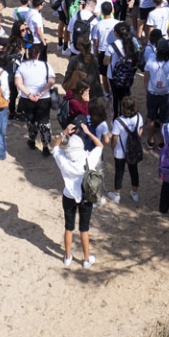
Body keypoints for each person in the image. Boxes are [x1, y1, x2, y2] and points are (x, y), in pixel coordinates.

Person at [54, 115, 100, 269]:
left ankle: (67, 257)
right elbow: (99, 146)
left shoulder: (63, 160)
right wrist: (88, 133)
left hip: (69, 195)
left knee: (69, 227)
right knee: (84, 229)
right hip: (86, 194)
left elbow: (55, 147)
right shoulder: (88, 158)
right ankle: (86, 259)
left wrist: (64, 133)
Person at [14, 44, 56, 150]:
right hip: (43, 98)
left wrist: (29, 94)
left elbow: (18, 83)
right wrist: (41, 93)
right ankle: (45, 145)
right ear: (38, 54)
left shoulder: (22, 66)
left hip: (27, 99)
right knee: (44, 122)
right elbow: (51, 81)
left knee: (30, 120)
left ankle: (32, 140)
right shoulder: (46, 65)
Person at [110, 95, 145, 203]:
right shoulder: (139, 117)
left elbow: (114, 138)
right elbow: (141, 129)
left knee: (119, 172)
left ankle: (117, 194)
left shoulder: (118, 121)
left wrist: (113, 147)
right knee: (134, 171)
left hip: (120, 151)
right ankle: (134, 193)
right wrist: (137, 138)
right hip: (133, 150)